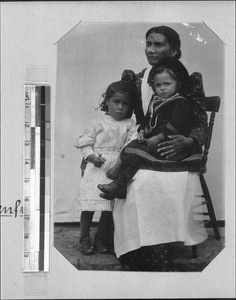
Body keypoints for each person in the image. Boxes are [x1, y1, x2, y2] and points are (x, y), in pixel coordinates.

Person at [110, 25, 209, 272]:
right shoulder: (137, 79)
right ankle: (135, 250)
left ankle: (162, 249)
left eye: (159, 45)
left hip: (179, 147)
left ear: (174, 50)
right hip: (149, 145)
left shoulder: (187, 79)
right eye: (149, 44)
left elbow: (199, 121)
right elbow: (120, 115)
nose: (152, 50)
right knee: (138, 181)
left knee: (156, 182)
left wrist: (191, 141)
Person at [98, 57, 203, 200]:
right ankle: (120, 185)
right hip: (153, 141)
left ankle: (118, 180)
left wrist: (159, 137)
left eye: (167, 84)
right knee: (132, 145)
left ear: (177, 84)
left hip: (169, 145)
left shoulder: (180, 103)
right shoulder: (155, 100)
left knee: (136, 151)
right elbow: (147, 119)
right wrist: (142, 130)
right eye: (158, 85)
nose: (163, 88)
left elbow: (175, 124)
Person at [74, 79, 137, 255]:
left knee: (109, 207)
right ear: (107, 101)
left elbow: (131, 144)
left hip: (116, 167)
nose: (120, 107)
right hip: (96, 168)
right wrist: (91, 157)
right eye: (116, 102)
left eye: (125, 104)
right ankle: (84, 238)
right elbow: (85, 143)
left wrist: (121, 162)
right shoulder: (97, 123)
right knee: (89, 205)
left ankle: (102, 239)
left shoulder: (130, 124)